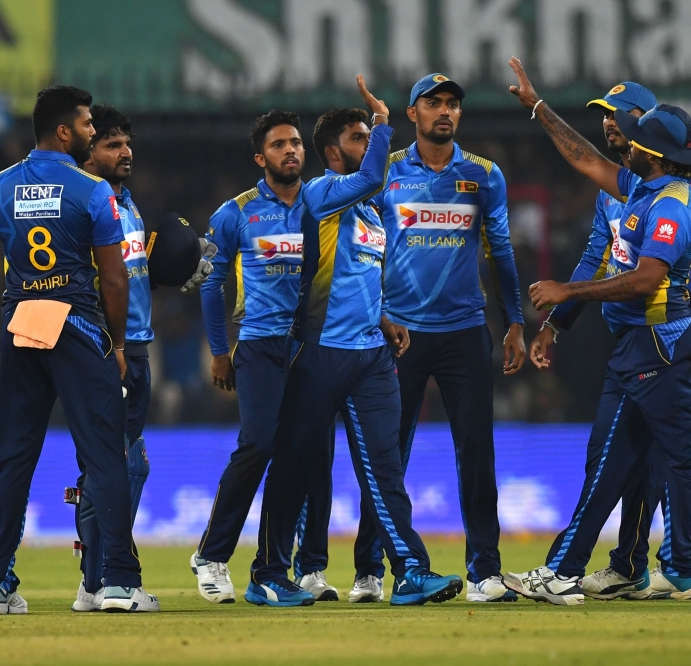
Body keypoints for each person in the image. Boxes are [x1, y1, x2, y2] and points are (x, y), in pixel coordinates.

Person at [503, 58, 691, 606]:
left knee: (686, 460)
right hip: (641, 343)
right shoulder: (640, 184)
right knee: (609, 461)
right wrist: (538, 108)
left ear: (651, 149)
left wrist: (568, 292)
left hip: (659, 341)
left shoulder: (672, 204)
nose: (618, 137)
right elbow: (585, 159)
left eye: (630, 131)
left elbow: (645, 280)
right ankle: (564, 571)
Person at [246, 76, 463, 608]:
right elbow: (370, 178)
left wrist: (385, 317)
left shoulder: (368, 212)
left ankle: (410, 571)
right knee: (294, 463)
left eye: (371, 135)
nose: (369, 145)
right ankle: (268, 574)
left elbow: (357, 275)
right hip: (320, 352)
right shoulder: (320, 193)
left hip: (369, 354)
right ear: (331, 152)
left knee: (384, 467)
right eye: (359, 138)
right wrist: (388, 124)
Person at [0, 86, 158, 614]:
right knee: (103, 453)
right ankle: (116, 581)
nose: (94, 133)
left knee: (14, 459)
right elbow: (114, 280)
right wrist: (116, 344)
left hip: (21, 328)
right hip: (78, 327)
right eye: (89, 125)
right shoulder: (93, 192)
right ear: (64, 131)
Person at [346, 73, 526, 604]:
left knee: (477, 452)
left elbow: (502, 252)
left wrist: (515, 322)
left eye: (452, 104)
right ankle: (369, 569)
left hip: (465, 333)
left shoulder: (483, 175)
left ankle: (485, 572)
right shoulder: (385, 173)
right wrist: (375, 314)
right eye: (433, 103)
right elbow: (362, 252)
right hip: (399, 333)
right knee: (387, 455)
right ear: (413, 113)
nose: (444, 111)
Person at [529, 82, 691, 602]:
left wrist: (663, 319)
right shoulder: (618, 191)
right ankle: (635, 562)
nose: (610, 123)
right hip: (633, 335)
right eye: (604, 114)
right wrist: (557, 323)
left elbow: (672, 271)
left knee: (666, 454)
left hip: (662, 333)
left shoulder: (671, 191)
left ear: (646, 125)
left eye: (620, 114)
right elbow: (595, 258)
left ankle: (675, 561)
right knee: (630, 454)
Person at [192, 110, 337, 603]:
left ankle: (274, 570)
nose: (291, 150)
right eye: (279, 145)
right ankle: (211, 556)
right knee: (257, 444)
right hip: (258, 343)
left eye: (296, 143)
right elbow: (210, 283)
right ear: (261, 158)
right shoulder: (236, 211)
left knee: (302, 455)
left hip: (311, 345)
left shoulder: (320, 202)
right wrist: (218, 351)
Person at [65, 104, 154, 612]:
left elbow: (129, 273)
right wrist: (109, 346)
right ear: (89, 151)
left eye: (127, 143)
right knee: (118, 465)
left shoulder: (126, 202)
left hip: (135, 343)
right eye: (111, 144)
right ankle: (106, 580)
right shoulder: (86, 201)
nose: (125, 153)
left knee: (116, 465)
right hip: (103, 346)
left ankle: (93, 581)